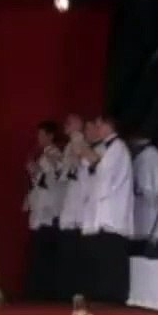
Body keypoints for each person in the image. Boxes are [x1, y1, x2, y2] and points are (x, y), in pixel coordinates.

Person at [76, 114, 135, 304]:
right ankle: (100, 293)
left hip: (112, 211)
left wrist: (88, 155)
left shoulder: (118, 148)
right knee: (99, 255)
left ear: (109, 126)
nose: (96, 129)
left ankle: (114, 295)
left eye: (99, 125)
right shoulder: (103, 147)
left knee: (112, 255)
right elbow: (88, 173)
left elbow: (106, 174)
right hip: (98, 210)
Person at [24, 120, 64, 301]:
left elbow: (54, 178)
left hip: (49, 207)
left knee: (46, 249)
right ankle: (37, 289)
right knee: (38, 249)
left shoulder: (55, 153)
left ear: (50, 136)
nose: (38, 139)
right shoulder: (42, 154)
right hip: (40, 205)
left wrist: (37, 170)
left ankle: (46, 291)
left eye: (42, 135)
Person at [55, 114, 90, 299]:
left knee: (76, 248)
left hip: (80, 200)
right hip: (69, 197)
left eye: (69, 123)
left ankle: (76, 290)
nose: (65, 126)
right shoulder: (70, 145)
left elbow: (81, 165)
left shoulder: (81, 142)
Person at [129, 131, 158, 259]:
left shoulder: (150, 158)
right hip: (143, 230)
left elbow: (151, 192)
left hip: (152, 232)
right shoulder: (141, 158)